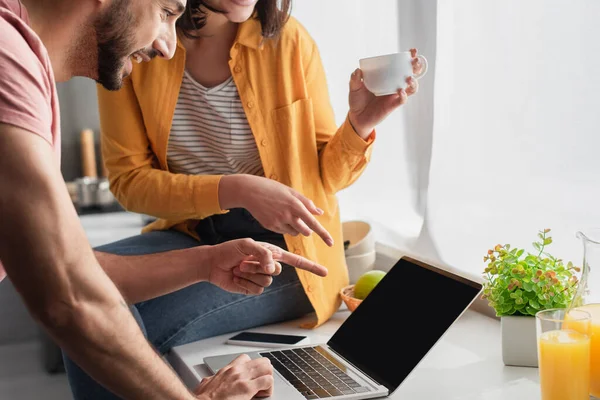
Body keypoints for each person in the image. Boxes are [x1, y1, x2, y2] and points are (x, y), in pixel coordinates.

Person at [88, 0, 423, 397]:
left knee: (103, 319)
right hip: (192, 235)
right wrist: (238, 189)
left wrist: (360, 123)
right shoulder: (135, 43)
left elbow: (325, 177)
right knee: (83, 287)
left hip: (287, 255)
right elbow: (129, 181)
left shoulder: (289, 41)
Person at [0, 0, 328, 399]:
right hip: (188, 231)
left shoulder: (18, 55)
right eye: (167, 11)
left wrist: (206, 262)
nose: (168, 47)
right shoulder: (8, 60)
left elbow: (69, 274)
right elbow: (71, 298)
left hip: (283, 249)